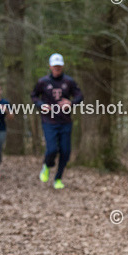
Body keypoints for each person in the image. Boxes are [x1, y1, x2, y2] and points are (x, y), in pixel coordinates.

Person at [31, 53, 83, 190]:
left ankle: (58, 178)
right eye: (55, 66)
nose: (57, 68)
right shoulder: (43, 82)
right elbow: (34, 96)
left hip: (65, 121)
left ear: (62, 66)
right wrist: (41, 105)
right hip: (49, 121)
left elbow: (79, 96)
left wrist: (71, 103)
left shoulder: (69, 81)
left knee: (65, 151)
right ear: (50, 66)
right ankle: (47, 166)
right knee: (52, 149)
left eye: (59, 66)